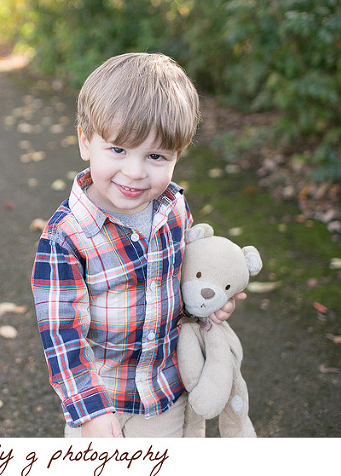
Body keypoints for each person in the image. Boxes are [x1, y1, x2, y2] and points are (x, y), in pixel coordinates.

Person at [31, 52, 246, 438]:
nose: (134, 172)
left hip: (166, 393)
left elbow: (183, 279)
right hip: (101, 400)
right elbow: (62, 334)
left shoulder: (173, 208)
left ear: (177, 155)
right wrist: (90, 410)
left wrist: (209, 302)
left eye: (156, 156)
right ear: (85, 141)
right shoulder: (66, 237)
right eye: (118, 150)